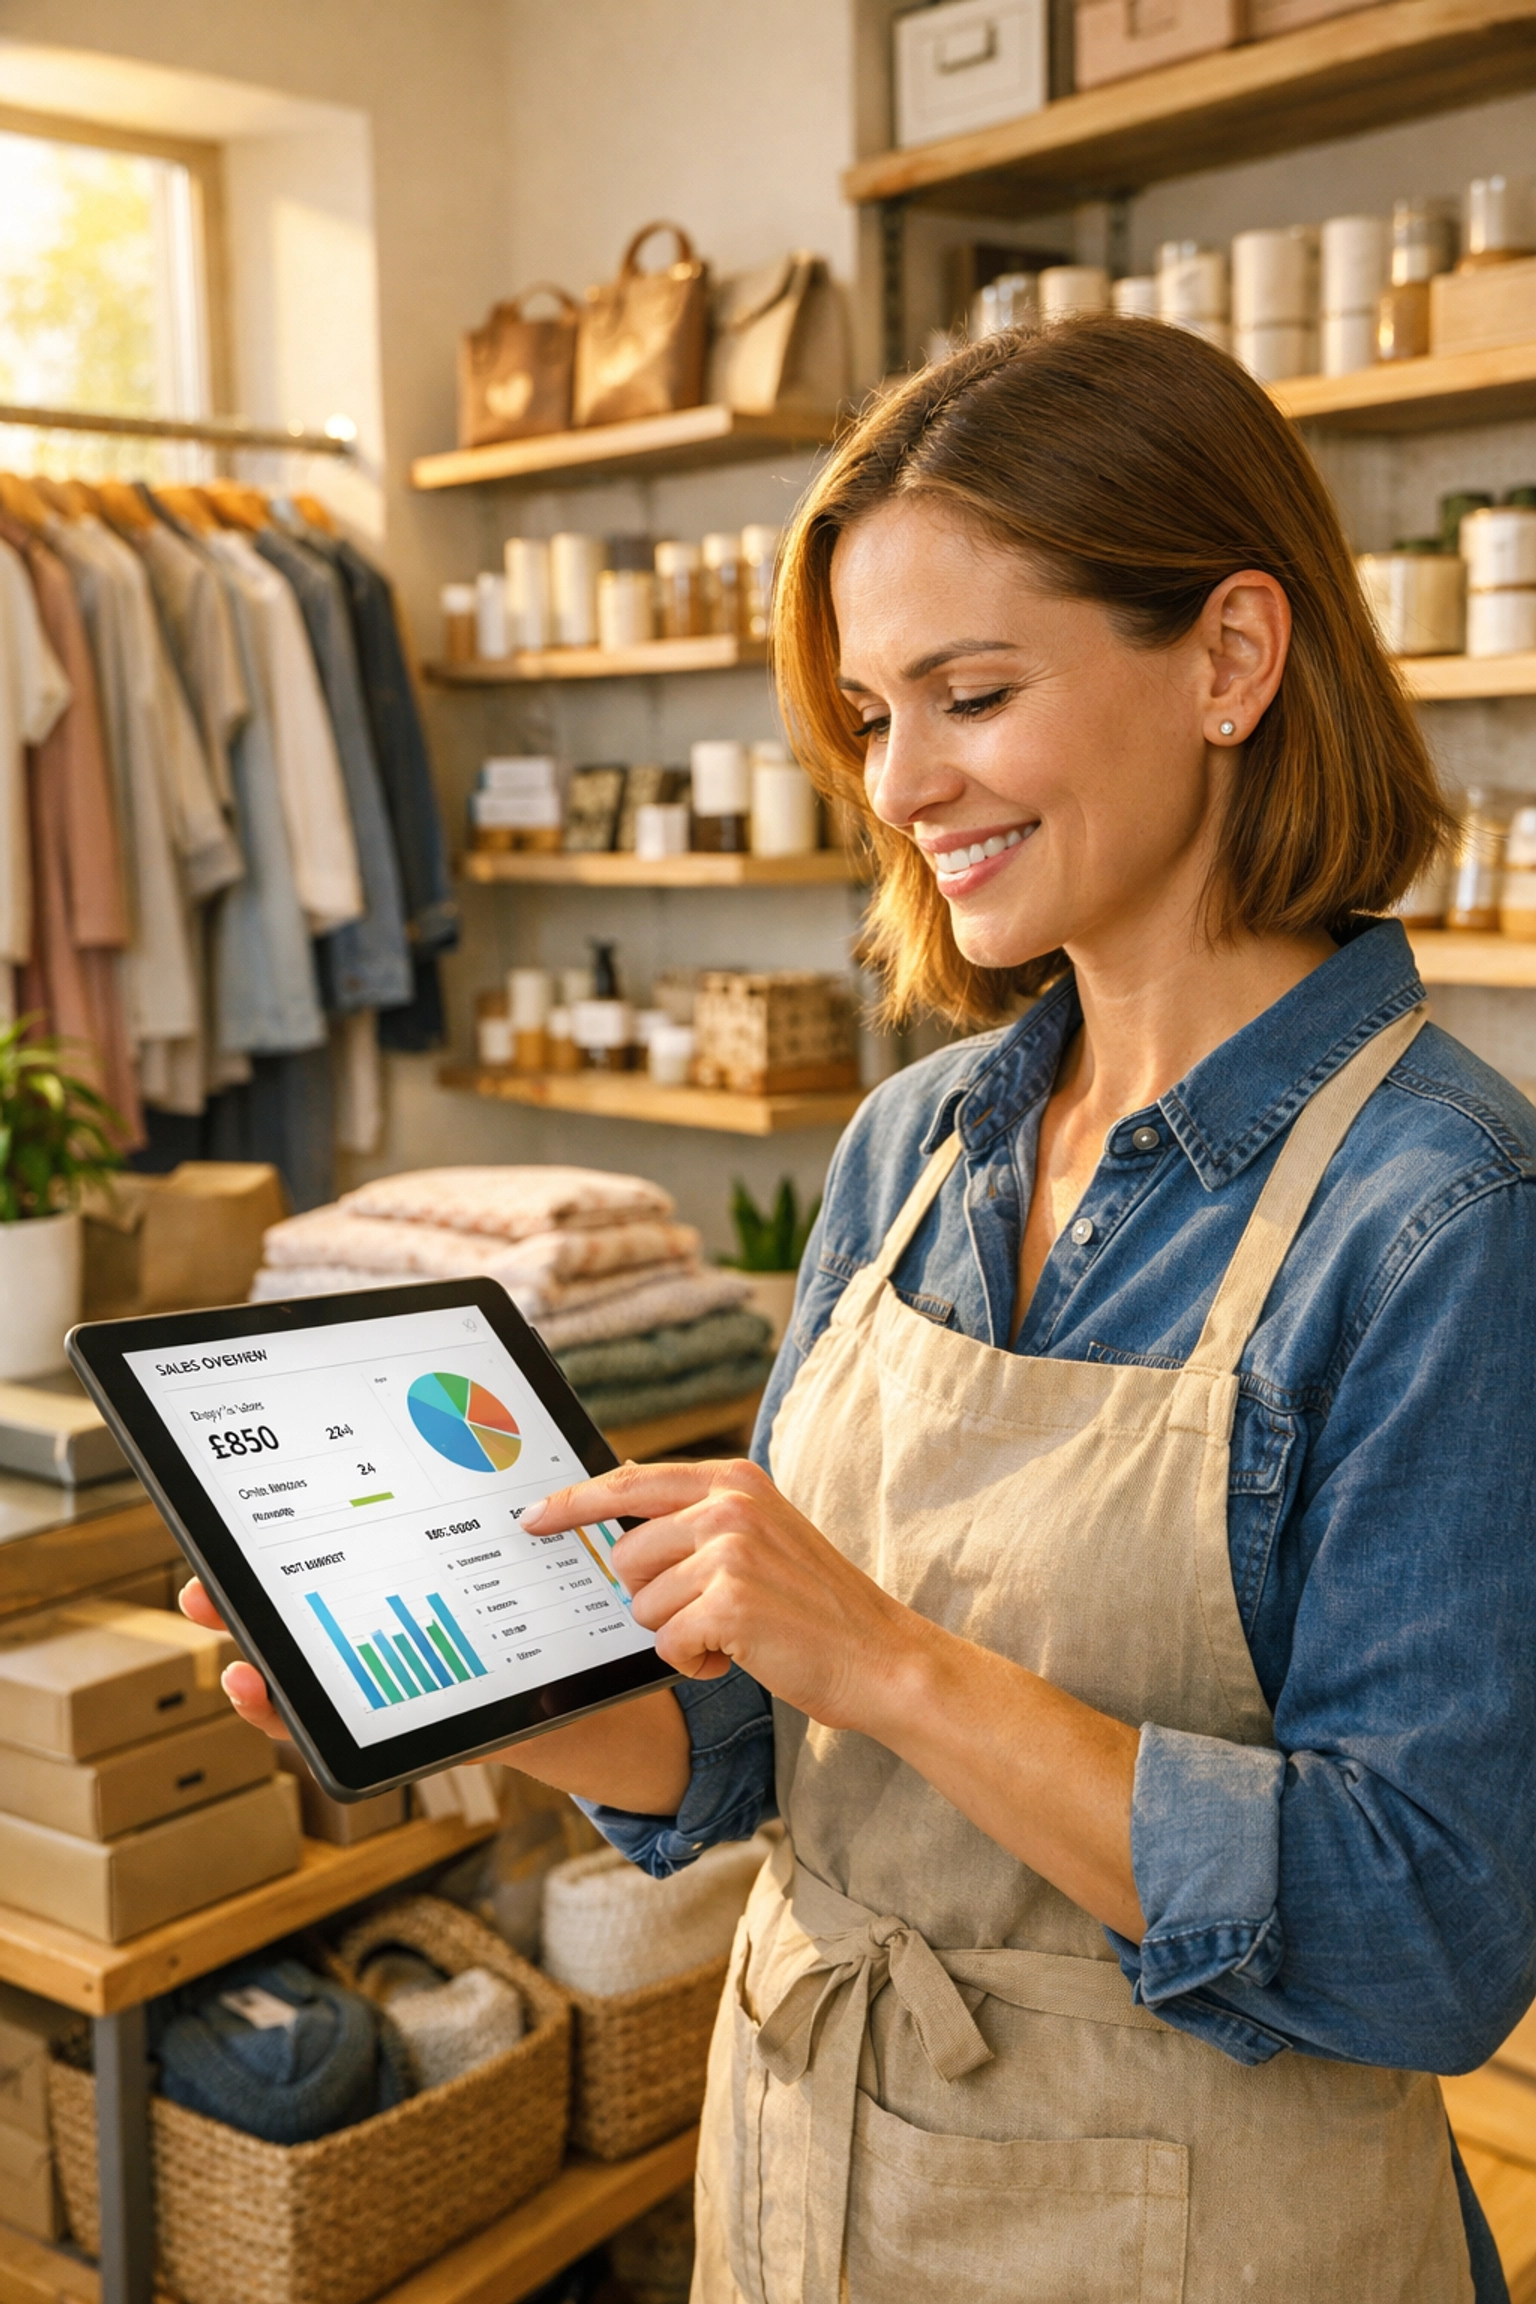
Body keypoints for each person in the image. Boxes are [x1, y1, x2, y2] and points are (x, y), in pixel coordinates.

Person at [193, 316, 1536, 2302]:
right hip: (811, 2187)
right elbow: (759, 1743)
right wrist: (472, 1684)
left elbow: (1426, 1939)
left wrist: (893, 1659)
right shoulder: (916, 1142)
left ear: (1234, 658)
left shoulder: (1441, 1217)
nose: (899, 785)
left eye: (970, 695)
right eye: (868, 715)